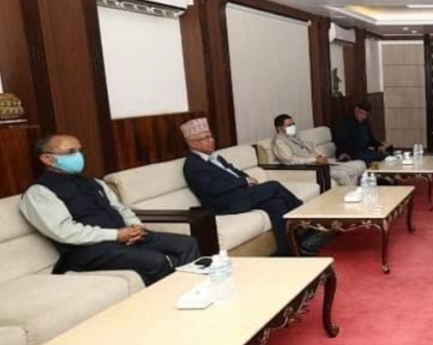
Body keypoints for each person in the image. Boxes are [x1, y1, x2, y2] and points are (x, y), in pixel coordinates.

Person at [19, 134, 200, 285]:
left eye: (80, 151)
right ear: (47, 159)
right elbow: (65, 232)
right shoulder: (39, 192)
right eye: (71, 152)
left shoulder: (94, 182)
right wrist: (116, 235)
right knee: (155, 260)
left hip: (125, 238)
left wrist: (135, 226)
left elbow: (120, 208)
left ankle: (193, 290)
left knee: (186, 243)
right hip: (88, 251)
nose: (78, 156)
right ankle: (169, 301)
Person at [180, 118, 303, 256]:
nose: (211, 140)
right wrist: (244, 181)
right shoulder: (193, 165)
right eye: (206, 138)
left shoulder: (215, 157)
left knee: (277, 204)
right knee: (274, 186)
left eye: (211, 136)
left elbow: (234, 171)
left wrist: (247, 179)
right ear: (193, 143)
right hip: (225, 203)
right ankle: (304, 218)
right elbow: (213, 188)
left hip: (240, 194)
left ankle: (288, 251)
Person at [272, 114, 364, 186]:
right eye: (289, 125)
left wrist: (321, 156)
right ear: (279, 128)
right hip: (307, 169)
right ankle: (350, 195)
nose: (293, 127)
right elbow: (290, 160)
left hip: (318, 163)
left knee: (353, 170)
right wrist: (314, 159)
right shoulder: (279, 142)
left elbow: (313, 147)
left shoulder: (298, 135)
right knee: (342, 174)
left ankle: (352, 194)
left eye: (293, 124)